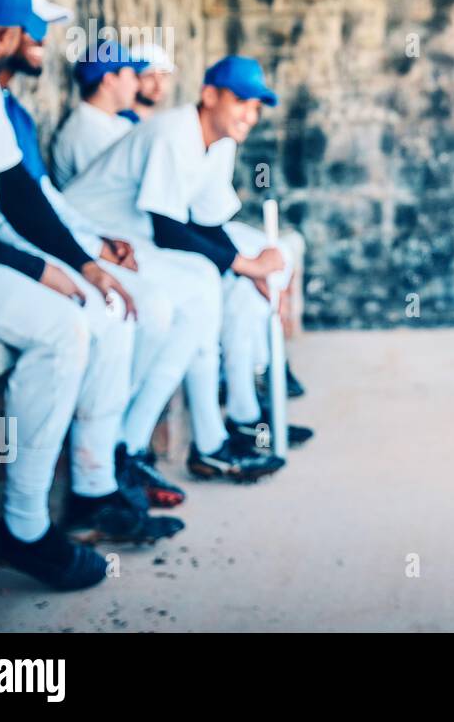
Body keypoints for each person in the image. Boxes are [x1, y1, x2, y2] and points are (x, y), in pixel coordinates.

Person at [0, 0, 169, 590]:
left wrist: (83, 265)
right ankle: (24, 529)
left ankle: (91, 486)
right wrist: (38, 269)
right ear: (2, 36)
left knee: (98, 307)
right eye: (28, 30)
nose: (38, 41)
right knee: (61, 327)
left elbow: (17, 192)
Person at [0, 0, 204, 508]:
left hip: (59, 238)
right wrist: (86, 251)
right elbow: (15, 208)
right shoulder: (77, 126)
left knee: (168, 300)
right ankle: (86, 480)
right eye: (32, 29)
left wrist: (93, 247)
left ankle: (111, 460)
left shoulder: (10, 109)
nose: (139, 82)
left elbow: (36, 195)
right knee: (123, 310)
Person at [62, 56, 312, 467]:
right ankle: (156, 444)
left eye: (256, 107)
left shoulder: (221, 142)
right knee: (202, 287)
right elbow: (168, 228)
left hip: (134, 241)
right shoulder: (174, 131)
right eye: (241, 102)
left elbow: (208, 221)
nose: (250, 115)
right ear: (209, 95)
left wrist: (248, 268)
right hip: (89, 236)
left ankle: (159, 442)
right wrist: (244, 265)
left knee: (211, 290)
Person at [50, 40, 146, 187]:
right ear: (109, 81)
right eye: (132, 75)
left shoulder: (117, 121)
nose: (137, 85)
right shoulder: (84, 131)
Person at [121, 40, 175, 125]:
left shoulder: (163, 124)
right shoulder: (118, 124)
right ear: (132, 77)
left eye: (164, 75)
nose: (159, 85)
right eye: (150, 76)